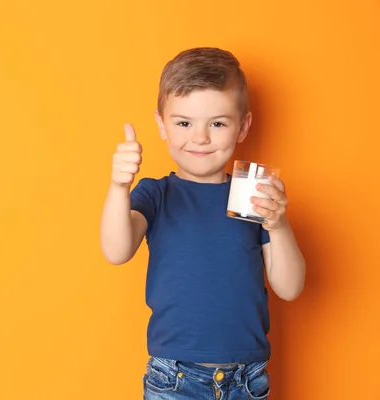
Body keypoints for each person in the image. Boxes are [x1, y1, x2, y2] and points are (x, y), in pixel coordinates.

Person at [99, 47, 306, 399]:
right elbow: (116, 251)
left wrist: (278, 225)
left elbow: (290, 287)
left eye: (218, 123)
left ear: (243, 127)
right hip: (174, 378)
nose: (200, 137)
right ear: (161, 125)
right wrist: (119, 187)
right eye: (184, 123)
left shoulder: (252, 194)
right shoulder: (156, 194)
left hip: (247, 379)